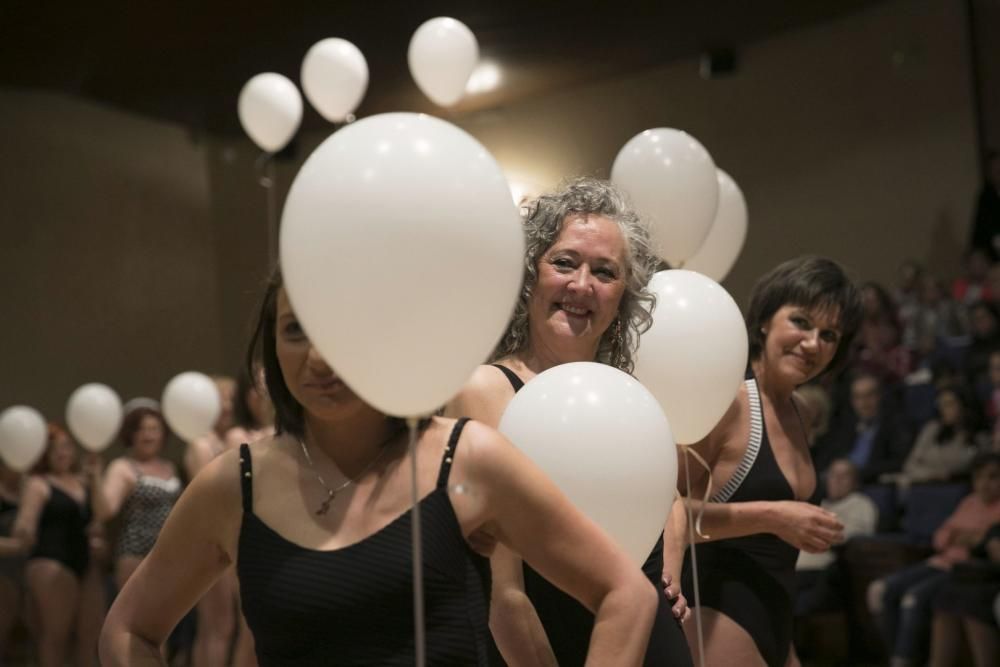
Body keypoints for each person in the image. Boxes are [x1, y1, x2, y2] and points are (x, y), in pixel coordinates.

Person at [99, 269, 658, 666]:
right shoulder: (233, 482)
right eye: (295, 331)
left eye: (338, 329)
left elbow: (625, 595)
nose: (317, 358)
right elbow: (128, 629)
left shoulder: (467, 458)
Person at [445, 177, 692, 667]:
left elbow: (672, 498)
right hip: (543, 642)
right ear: (531, 273)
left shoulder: (626, 392)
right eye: (564, 262)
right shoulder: (484, 392)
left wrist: (670, 566)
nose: (581, 286)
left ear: (623, 296)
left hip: (652, 637)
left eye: (605, 272)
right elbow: (503, 593)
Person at [667, 255, 864, 667]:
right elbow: (665, 516)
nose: (813, 343)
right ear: (764, 321)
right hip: (717, 612)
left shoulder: (801, 414)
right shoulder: (731, 404)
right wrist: (773, 515)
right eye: (801, 322)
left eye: (829, 334)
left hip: (776, 615)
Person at [869, 452, 1000, 666]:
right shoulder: (970, 501)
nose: (984, 484)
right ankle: (893, 655)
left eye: (993, 477)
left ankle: (905, 659)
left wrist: (965, 537)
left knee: (913, 599)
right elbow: (940, 537)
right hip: (939, 561)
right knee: (878, 590)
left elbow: (983, 544)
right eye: (979, 477)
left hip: (965, 570)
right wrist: (962, 537)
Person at [1, 424, 110, 667]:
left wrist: (96, 477)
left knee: (91, 635)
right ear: (44, 453)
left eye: (67, 447)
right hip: (51, 560)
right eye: (56, 448)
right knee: (55, 636)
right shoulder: (39, 483)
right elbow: (25, 521)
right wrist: (24, 531)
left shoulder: (83, 481)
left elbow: (103, 513)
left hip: (85, 559)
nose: (63, 453)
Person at [102, 406, 181, 590]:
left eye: (154, 429)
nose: (148, 435)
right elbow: (106, 509)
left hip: (167, 553)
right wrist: (95, 478)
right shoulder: (122, 467)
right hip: (135, 552)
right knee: (134, 617)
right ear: (131, 434)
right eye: (141, 429)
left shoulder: (170, 468)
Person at [813, 373, 911, 484]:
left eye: (869, 395)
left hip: (870, 483)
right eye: (857, 397)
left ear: (880, 396)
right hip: (838, 483)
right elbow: (827, 457)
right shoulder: (845, 425)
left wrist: (857, 472)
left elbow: (898, 462)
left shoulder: (895, 424)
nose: (863, 403)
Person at [929, 519, 1000, 667]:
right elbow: (979, 544)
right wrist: (989, 542)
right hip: (987, 575)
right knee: (947, 594)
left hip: (992, 583)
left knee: (976, 600)